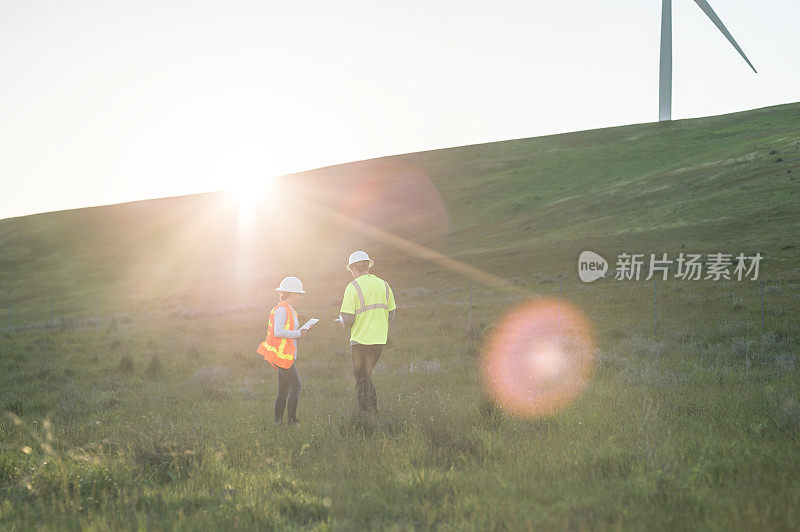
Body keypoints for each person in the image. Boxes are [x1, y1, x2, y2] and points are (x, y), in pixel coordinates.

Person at [339, 251, 396, 413]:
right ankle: (373, 413)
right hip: (379, 341)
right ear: (367, 266)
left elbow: (348, 320)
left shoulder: (352, 287)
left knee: (362, 380)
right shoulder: (384, 285)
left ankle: (366, 416)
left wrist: (342, 322)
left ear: (353, 268)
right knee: (366, 376)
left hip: (360, 342)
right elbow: (391, 315)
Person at [257, 276, 309, 426]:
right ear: (291, 293)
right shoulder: (282, 309)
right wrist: (299, 333)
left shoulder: (290, 310)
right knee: (296, 385)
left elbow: (286, 332)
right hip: (281, 357)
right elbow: (278, 331)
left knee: (284, 390)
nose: (301, 297)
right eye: (300, 294)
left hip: (285, 356)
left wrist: (301, 332)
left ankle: (277, 423)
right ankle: (292, 422)